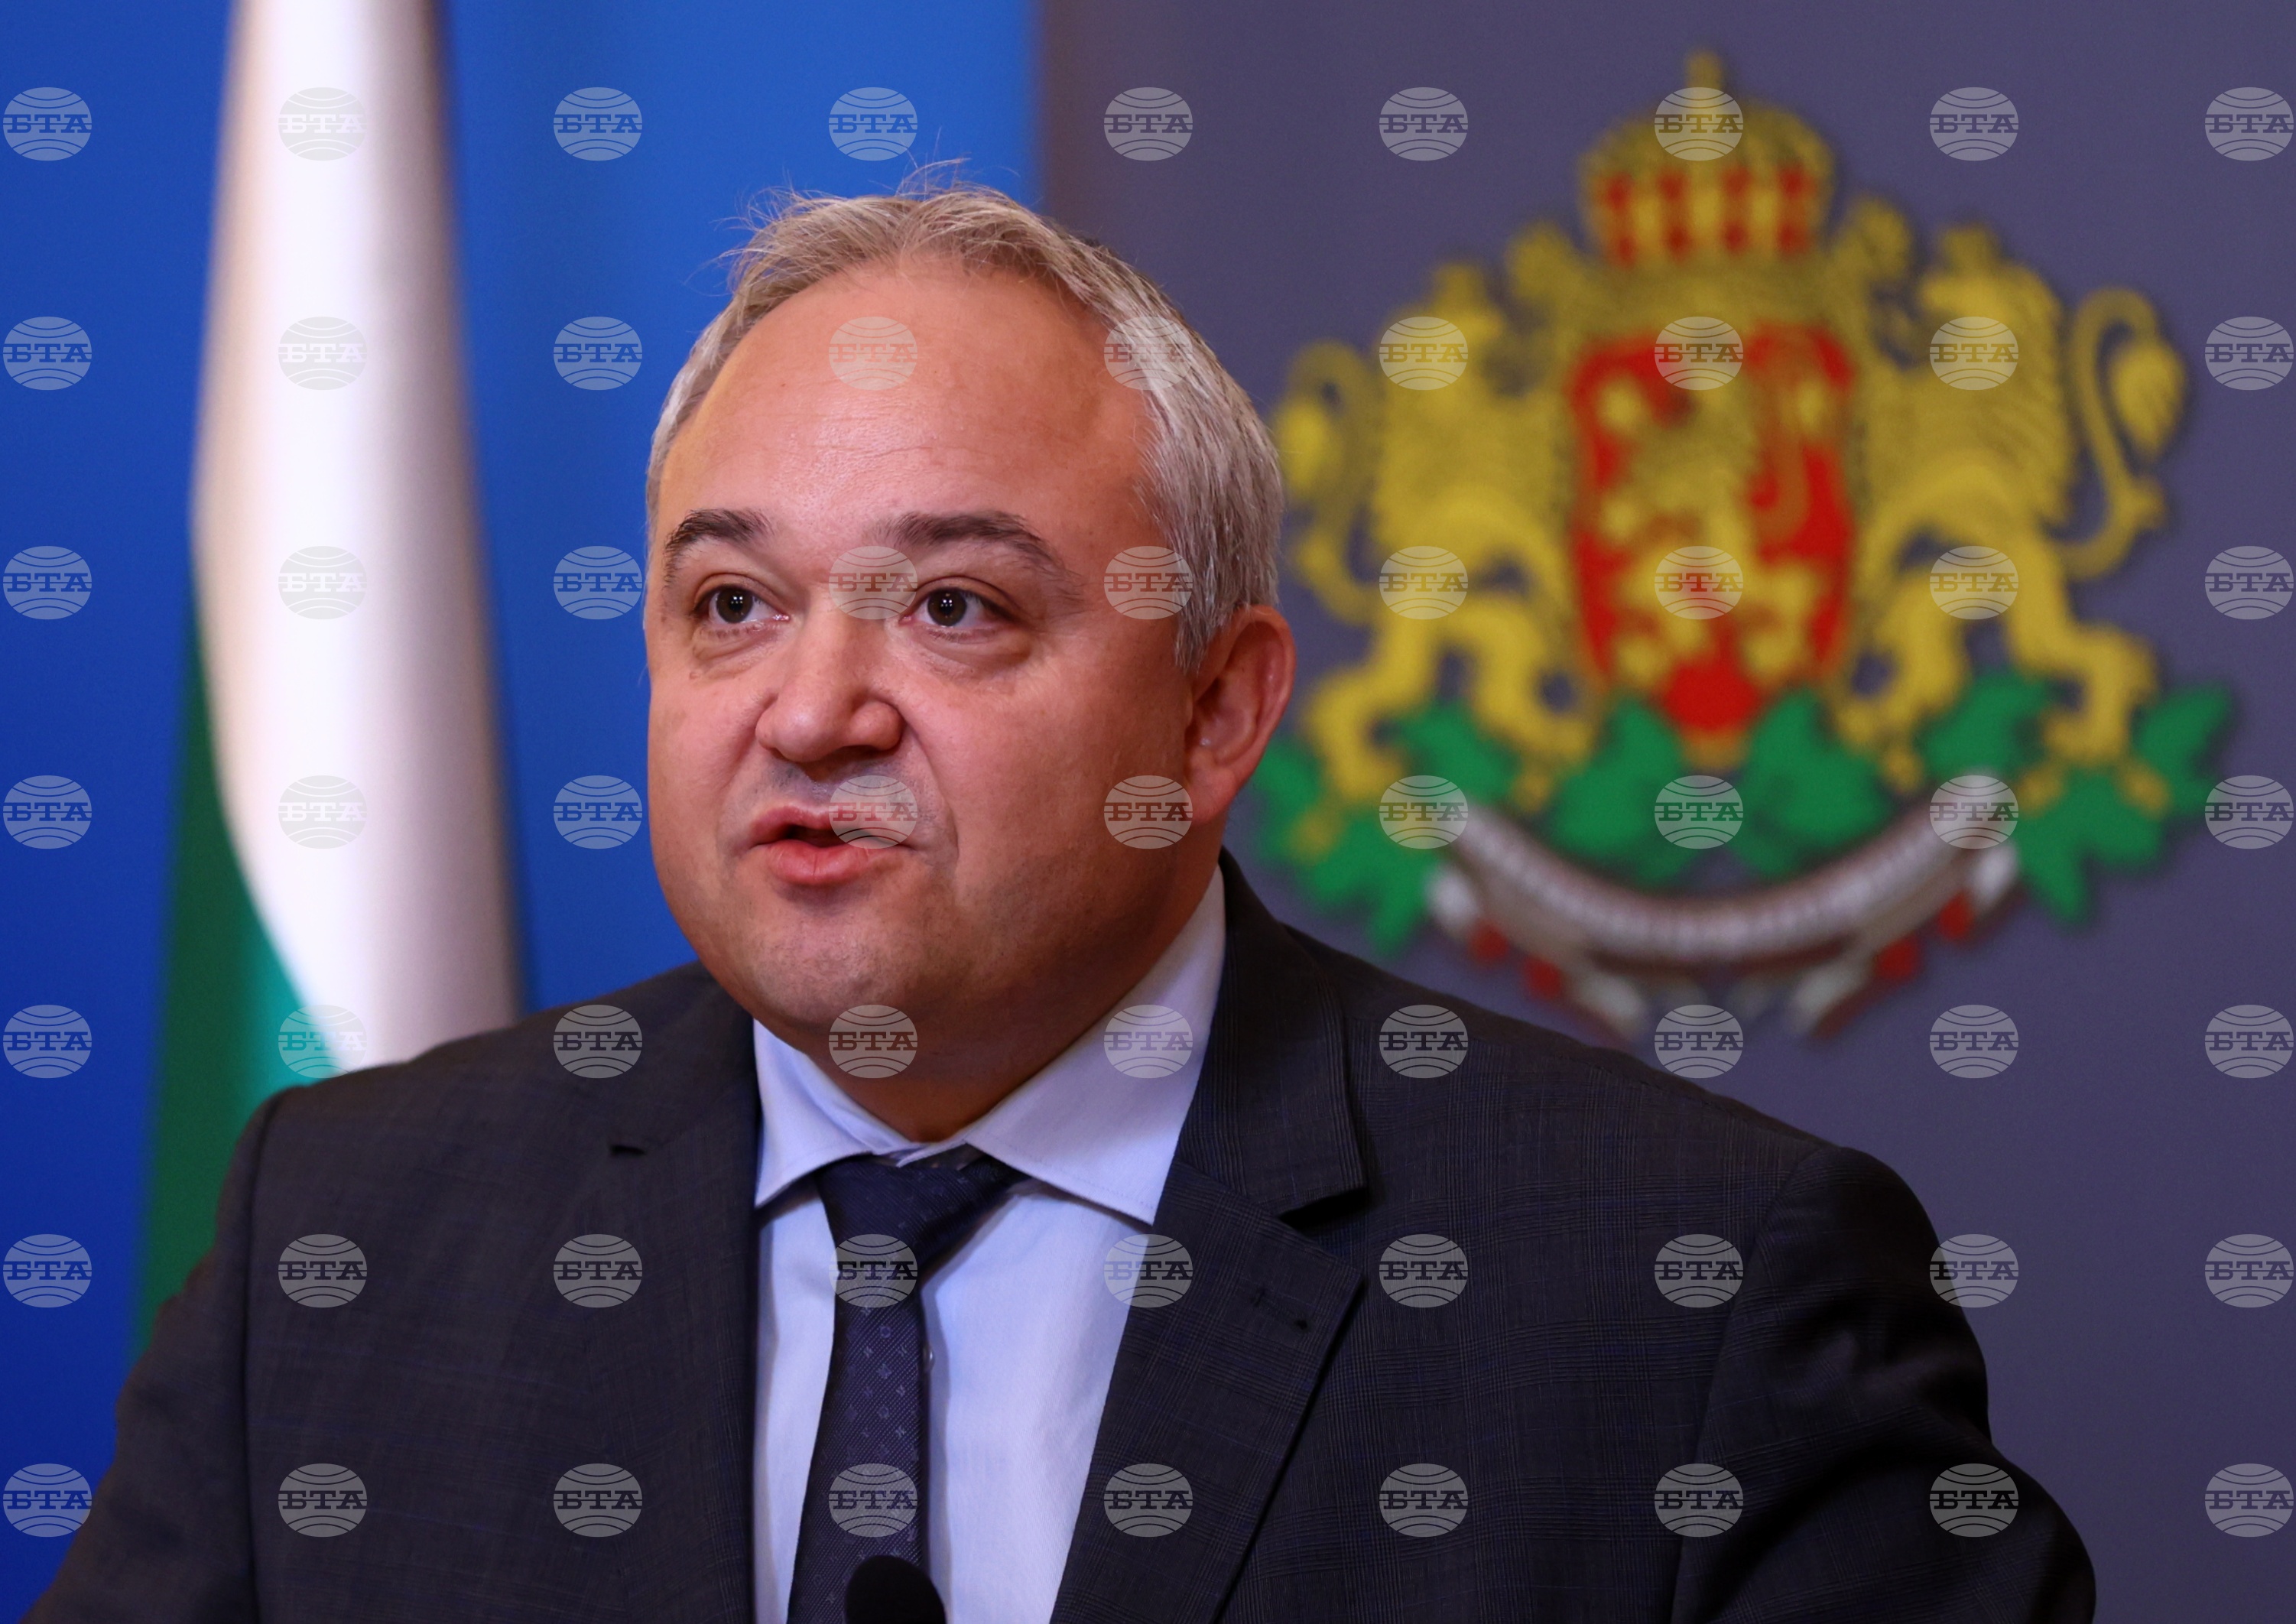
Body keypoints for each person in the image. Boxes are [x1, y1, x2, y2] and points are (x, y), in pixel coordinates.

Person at [30, 177, 2095, 1624]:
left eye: (954, 607)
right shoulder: (346, 1235)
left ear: (1215, 709)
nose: (811, 710)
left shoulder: (1691, 1293)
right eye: (730, 604)